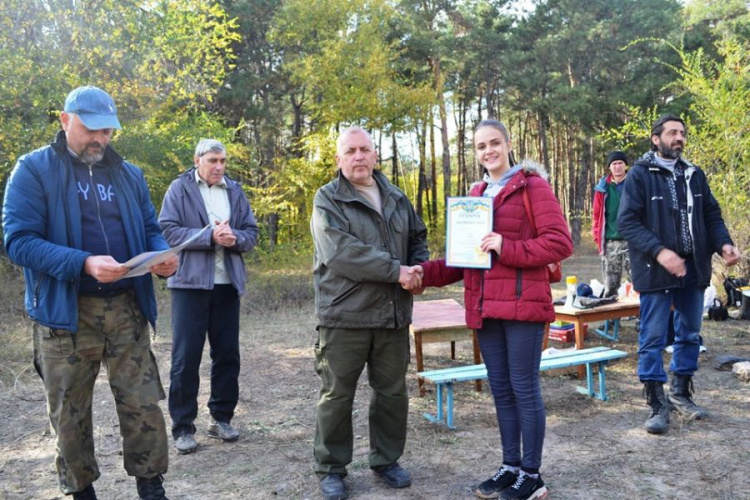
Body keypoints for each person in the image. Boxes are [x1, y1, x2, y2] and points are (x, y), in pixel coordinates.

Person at [2, 86, 177, 500]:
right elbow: (18, 241)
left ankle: (151, 488)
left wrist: (163, 258)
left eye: (108, 131)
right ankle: (82, 493)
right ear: (65, 120)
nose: (101, 139)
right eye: (91, 129)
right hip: (66, 315)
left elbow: (150, 228)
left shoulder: (129, 174)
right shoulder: (33, 169)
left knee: (143, 404)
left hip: (126, 308)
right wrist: (83, 262)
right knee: (69, 414)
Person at [413, 120, 572, 500]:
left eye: (495, 143)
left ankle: (532, 476)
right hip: (486, 308)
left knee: (524, 389)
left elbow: (559, 243)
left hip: (524, 307)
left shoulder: (533, 186)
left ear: (509, 143)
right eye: (481, 146)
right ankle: (510, 467)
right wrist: (423, 273)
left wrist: (506, 245)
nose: (489, 151)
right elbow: (461, 258)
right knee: (501, 390)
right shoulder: (476, 195)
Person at [310, 127, 429, 500]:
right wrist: (397, 271)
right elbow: (341, 252)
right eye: (350, 151)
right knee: (336, 395)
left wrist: (420, 270)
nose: (358, 156)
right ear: (339, 159)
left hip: (392, 314)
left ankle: (386, 460)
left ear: (375, 156)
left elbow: (418, 238)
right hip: (344, 315)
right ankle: (331, 469)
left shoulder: (395, 196)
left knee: (392, 393)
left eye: (365, 150)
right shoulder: (327, 199)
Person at [618, 114, 740, 435]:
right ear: (656, 138)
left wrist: (724, 243)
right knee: (653, 337)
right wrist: (660, 251)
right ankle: (657, 403)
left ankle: (681, 392)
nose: (679, 137)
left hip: (694, 268)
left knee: (689, 334)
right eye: (672, 132)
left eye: (682, 132)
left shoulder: (694, 175)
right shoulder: (640, 176)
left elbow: (711, 215)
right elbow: (627, 222)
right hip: (655, 269)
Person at [158, 139, 259, 454]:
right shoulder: (180, 189)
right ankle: (183, 427)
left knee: (227, 355)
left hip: (227, 284)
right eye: (213, 160)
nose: (219, 166)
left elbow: (251, 233)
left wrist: (233, 238)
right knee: (186, 357)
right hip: (189, 284)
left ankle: (221, 418)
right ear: (198, 160)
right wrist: (208, 235)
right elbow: (168, 231)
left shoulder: (235, 191)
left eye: (223, 161)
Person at [592, 151, 631, 297]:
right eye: (614, 164)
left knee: (638, 283)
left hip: (633, 240)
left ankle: (642, 318)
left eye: (620, 163)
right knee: (611, 285)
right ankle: (611, 319)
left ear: (625, 165)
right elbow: (597, 216)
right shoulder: (603, 188)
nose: (617, 167)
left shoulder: (634, 184)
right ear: (610, 167)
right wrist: (597, 238)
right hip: (611, 241)